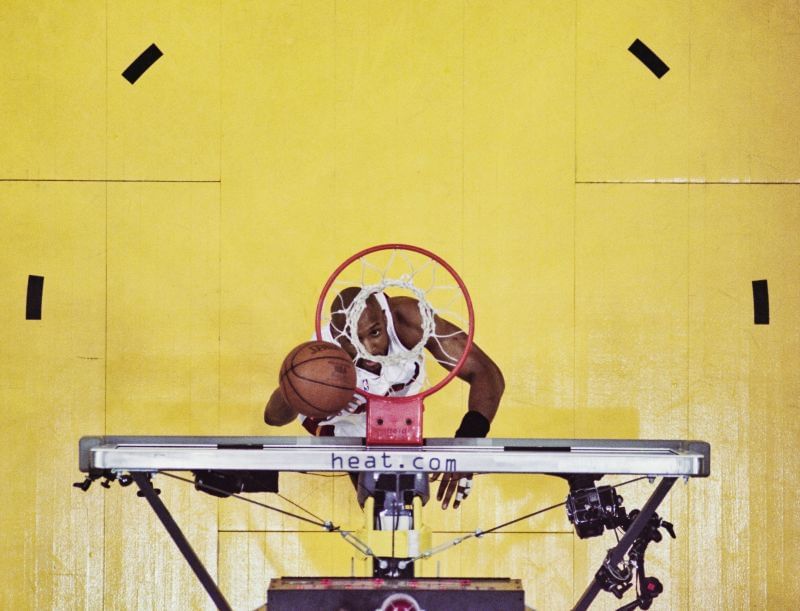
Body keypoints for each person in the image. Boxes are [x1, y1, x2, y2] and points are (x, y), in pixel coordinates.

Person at [264, 287, 505, 510]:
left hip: (398, 416)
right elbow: (272, 417)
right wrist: (299, 384)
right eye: (354, 341)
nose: (369, 349)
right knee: (379, 506)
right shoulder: (320, 356)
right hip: (345, 423)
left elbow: (486, 372)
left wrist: (466, 443)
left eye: (375, 333)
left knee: (406, 505)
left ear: (383, 316)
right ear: (338, 336)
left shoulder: (408, 320)